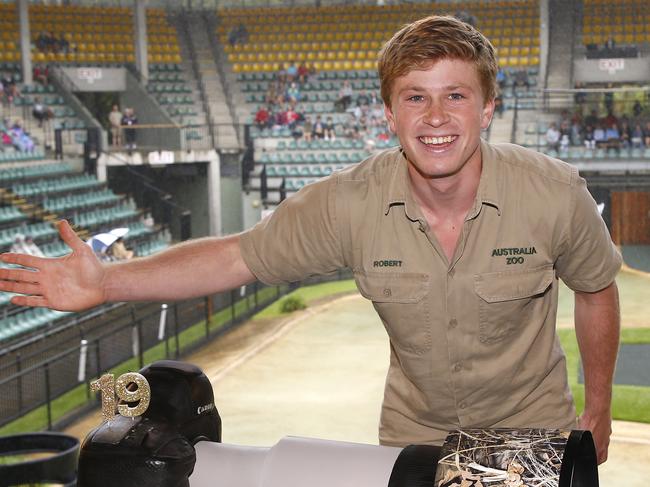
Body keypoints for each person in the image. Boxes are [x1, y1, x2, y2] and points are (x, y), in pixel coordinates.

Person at [0, 15, 620, 465]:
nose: (436, 118)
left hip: (530, 431)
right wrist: (107, 280)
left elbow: (596, 289)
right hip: (415, 438)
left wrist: (597, 408)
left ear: (487, 109)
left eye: (456, 96)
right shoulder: (348, 203)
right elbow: (237, 255)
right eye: (415, 98)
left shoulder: (552, 193)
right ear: (389, 113)